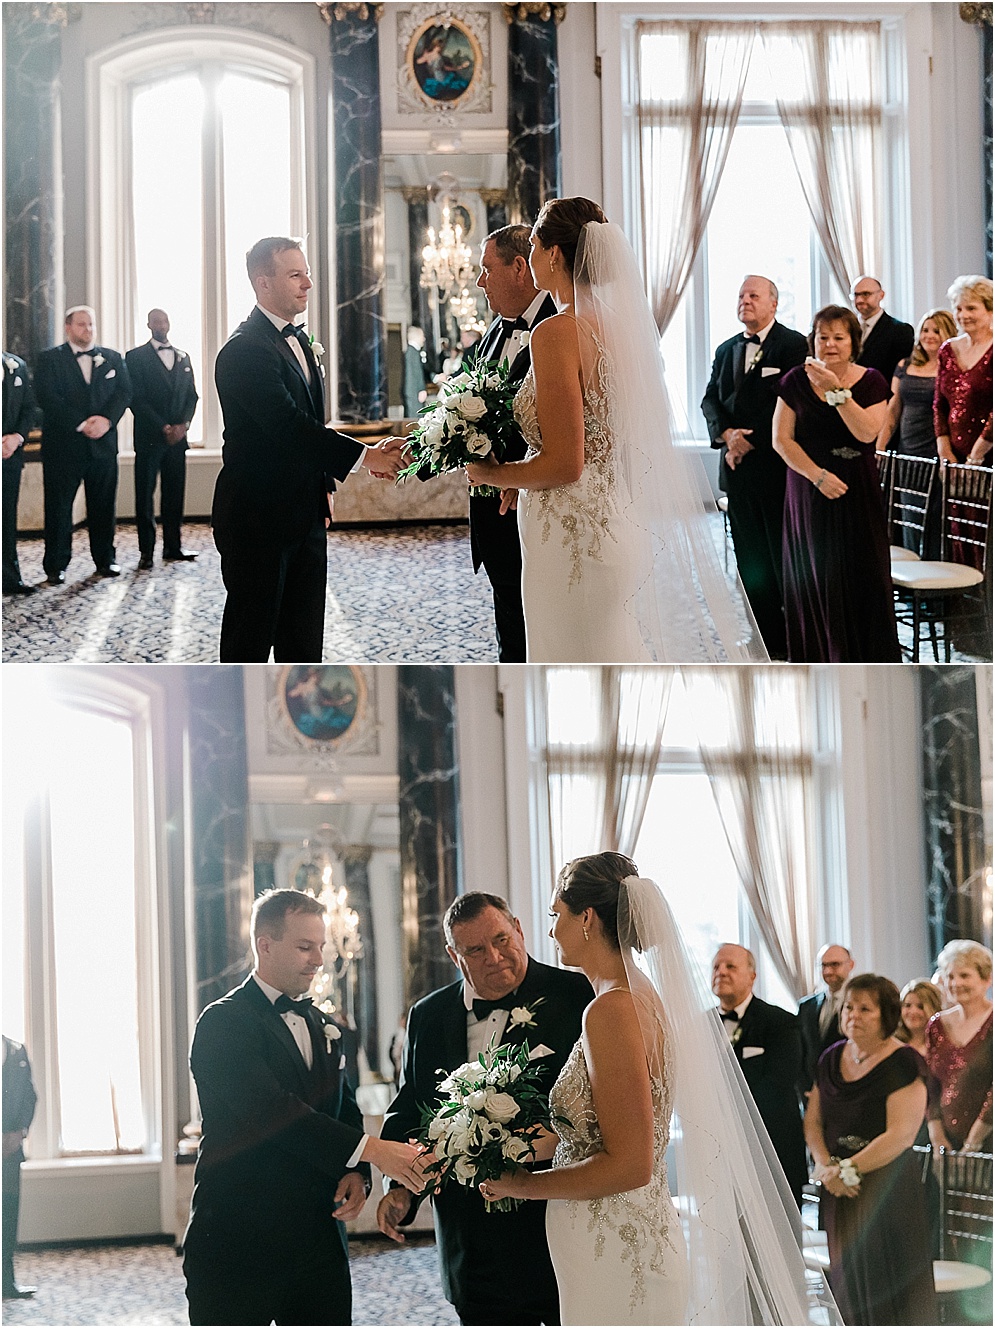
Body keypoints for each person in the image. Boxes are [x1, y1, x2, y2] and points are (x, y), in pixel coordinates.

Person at [480, 855, 818, 1325]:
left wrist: (524, 1186)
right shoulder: (639, 997)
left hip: (615, 1251)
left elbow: (631, 1163)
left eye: (557, 915)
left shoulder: (612, 1010)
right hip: (618, 1240)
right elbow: (599, 1127)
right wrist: (500, 1147)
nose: (553, 930)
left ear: (587, 917)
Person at [465, 198, 767, 663]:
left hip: (566, 538)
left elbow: (566, 463)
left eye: (536, 244)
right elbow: (594, 440)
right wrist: (525, 476)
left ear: (554, 256)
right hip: (610, 521)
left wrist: (493, 475)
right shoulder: (621, 328)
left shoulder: (557, 332)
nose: (532, 252)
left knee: (570, 667)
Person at [182, 888, 426, 1326]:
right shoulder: (223, 1023)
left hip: (318, 1244)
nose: (318, 960)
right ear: (265, 945)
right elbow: (273, 1114)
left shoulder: (323, 1023)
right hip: (238, 1242)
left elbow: (343, 1103)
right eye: (304, 947)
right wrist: (374, 1150)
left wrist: (358, 1174)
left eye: (321, 947)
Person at [377, 891, 592, 1325]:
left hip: (554, 1224)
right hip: (469, 1237)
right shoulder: (428, 1015)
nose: (494, 957)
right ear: (454, 955)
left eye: (501, 940)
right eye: (475, 950)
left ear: (519, 929)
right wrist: (399, 1187)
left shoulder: (577, 995)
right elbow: (412, 1107)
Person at [212, 236, 404, 663]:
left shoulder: (299, 342)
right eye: (295, 274)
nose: (308, 283)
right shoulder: (243, 351)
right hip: (256, 519)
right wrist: (366, 455)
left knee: (303, 642)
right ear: (263, 283)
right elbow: (288, 427)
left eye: (307, 272)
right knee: (250, 640)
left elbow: (312, 423)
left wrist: (323, 490)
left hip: (305, 514)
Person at [805, 973, 937, 1325]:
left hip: (886, 1187)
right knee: (847, 1281)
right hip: (838, 1189)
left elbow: (901, 1135)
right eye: (849, 1007)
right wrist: (826, 1167)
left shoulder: (904, 1062)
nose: (853, 1015)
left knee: (889, 1278)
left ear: (887, 1015)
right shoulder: (830, 1058)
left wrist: (847, 1170)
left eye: (865, 1009)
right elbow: (813, 1121)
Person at [773, 304, 900, 662]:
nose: (830, 344)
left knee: (865, 576)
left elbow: (867, 431)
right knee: (818, 576)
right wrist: (817, 476)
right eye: (823, 337)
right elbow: (782, 440)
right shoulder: (795, 380)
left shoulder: (872, 379)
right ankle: (824, 655)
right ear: (813, 341)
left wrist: (835, 390)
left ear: (853, 342)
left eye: (839, 337)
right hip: (809, 488)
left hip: (858, 488)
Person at [701, 276, 809, 658]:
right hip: (736, 471)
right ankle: (766, 637)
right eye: (741, 295)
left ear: (773, 304)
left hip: (776, 469)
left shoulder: (794, 344)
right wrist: (728, 435)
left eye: (753, 295)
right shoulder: (727, 348)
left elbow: (790, 400)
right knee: (750, 563)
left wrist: (749, 441)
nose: (745, 301)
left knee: (783, 560)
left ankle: (795, 638)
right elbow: (710, 399)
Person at [463, 224, 557, 663]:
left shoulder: (562, 325)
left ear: (520, 267)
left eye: (486, 270)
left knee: (542, 629)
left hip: (539, 507)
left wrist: (516, 475)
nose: (479, 282)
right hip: (493, 514)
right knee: (510, 630)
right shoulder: (492, 334)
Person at [34, 305, 132, 584]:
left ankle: (105, 560)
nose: (87, 330)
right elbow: (47, 398)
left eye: (90, 324)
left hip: (103, 445)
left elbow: (125, 392)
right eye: (81, 325)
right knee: (59, 508)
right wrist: (81, 424)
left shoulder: (112, 358)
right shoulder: (49, 359)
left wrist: (106, 421)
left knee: (103, 506)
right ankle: (55, 566)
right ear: (68, 328)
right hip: (64, 447)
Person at [711, 942, 808, 1206]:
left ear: (752, 976)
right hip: (718, 1157)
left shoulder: (781, 1023)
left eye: (731, 966)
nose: (721, 972)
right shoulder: (702, 1024)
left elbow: (778, 1085)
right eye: (716, 966)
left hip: (772, 1152)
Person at [126, 308, 200, 569]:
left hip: (177, 440)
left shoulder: (184, 357)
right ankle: (146, 552)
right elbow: (135, 398)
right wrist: (163, 427)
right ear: (148, 324)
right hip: (149, 438)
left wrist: (184, 425)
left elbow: (192, 396)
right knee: (145, 496)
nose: (161, 324)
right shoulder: (134, 357)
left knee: (174, 493)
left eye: (165, 320)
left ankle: (173, 547)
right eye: (156, 320)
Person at [924, 939, 993, 1153]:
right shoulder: (936, 1025)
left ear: (986, 979)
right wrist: (936, 1137)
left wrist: (973, 1142)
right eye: (950, 976)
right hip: (945, 1143)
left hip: (988, 1139)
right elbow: (930, 1084)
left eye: (964, 975)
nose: (955, 983)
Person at [876, 310, 957, 458]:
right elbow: (893, 409)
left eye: (936, 331)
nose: (929, 336)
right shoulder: (904, 365)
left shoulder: (953, 369)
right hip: (906, 447)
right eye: (925, 330)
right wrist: (880, 447)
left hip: (939, 449)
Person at [933, 275, 993, 465]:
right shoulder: (947, 350)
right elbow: (939, 404)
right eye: (959, 309)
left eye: (971, 308)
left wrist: (976, 456)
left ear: (990, 311)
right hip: (952, 457)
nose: (963, 315)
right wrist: (944, 452)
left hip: (987, 454)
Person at [2, 351, 41, 595]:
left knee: (5, 520)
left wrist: (16, 438)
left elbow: (29, 408)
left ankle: (9, 578)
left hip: (8, 457)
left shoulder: (15, 365)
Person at [2, 1036, 37, 1301]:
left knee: (8, 1216)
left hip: (11, 1152)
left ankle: (6, 1282)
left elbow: (29, 1096)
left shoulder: (16, 1050)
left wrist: (20, 1132)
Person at [798, 943, 856, 1096]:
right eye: (823, 965)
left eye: (835, 964)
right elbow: (801, 1050)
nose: (828, 971)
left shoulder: (859, 1005)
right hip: (810, 1092)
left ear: (851, 965)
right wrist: (804, 1086)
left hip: (846, 1090)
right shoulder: (806, 1006)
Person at [851, 276, 915, 386]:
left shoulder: (900, 330)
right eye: (856, 295)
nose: (860, 300)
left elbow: (899, 373)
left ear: (881, 295)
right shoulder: (847, 328)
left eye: (866, 294)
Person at [896, 980, 945, 1056]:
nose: (913, 1012)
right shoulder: (892, 1044)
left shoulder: (943, 1046)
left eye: (920, 1007)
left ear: (934, 1009)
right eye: (908, 1005)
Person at [403, 325, 429, 418]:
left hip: (412, 391)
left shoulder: (412, 352)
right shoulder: (412, 352)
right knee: (416, 419)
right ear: (417, 336)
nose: (424, 339)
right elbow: (415, 373)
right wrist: (421, 389)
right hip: (414, 391)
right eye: (422, 336)